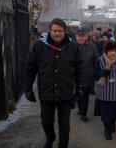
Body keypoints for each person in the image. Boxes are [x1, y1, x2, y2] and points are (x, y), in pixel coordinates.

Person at [24, 18, 83, 148]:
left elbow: (79, 68)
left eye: (60, 31)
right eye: (54, 31)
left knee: (65, 126)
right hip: (46, 92)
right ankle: (50, 138)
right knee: (46, 122)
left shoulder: (73, 46)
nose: (57, 33)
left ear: (65, 31)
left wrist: (80, 88)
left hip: (65, 93)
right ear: (49, 31)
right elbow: (31, 68)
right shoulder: (40, 46)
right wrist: (27, 88)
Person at [93, 41, 116, 140]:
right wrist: (104, 71)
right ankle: (106, 130)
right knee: (106, 114)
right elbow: (95, 75)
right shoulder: (100, 60)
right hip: (105, 93)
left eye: (114, 50)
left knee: (115, 112)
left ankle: (112, 124)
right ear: (106, 51)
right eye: (110, 50)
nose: (112, 53)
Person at [75, 28, 98, 122]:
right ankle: (80, 109)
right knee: (78, 94)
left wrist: (95, 74)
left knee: (85, 96)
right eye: (79, 36)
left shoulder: (92, 46)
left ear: (86, 36)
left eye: (83, 36)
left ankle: (83, 113)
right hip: (75, 76)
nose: (81, 38)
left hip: (87, 75)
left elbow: (96, 60)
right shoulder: (72, 46)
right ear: (76, 37)